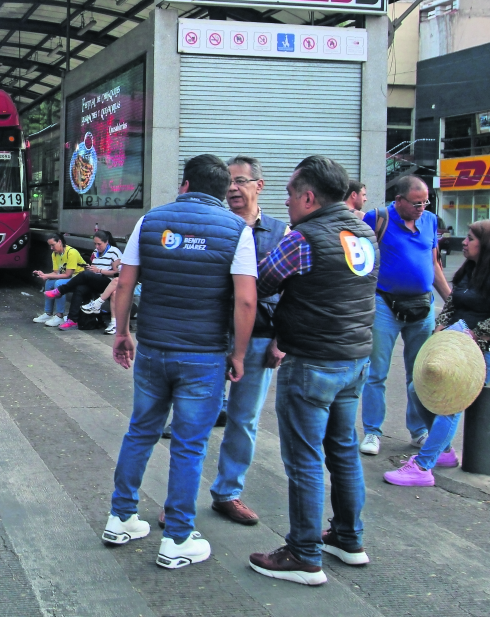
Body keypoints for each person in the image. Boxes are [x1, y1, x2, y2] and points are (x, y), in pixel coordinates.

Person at [102, 154, 257, 571]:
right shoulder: (237, 230)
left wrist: (122, 332)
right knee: (189, 446)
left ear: (185, 184)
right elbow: (245, 299)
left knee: (140, 431)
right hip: (204, 356)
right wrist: (239, 354)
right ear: (223, 190)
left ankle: (121, 518)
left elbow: (126, 282)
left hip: (153, 349)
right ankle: (177, 538)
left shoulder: (150, 221)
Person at [247, 156, 377, 586]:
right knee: (343, 452)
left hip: (311, 362)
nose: (285, 202)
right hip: (354, 360)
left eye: (288, 193)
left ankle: (304, 554)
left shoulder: (303, 238)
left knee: (304, 460)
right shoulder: (363, 232)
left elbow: (263, 282)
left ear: (308, 196)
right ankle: (348, 537)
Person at [385, 221, 490, 486]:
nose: (463, 241)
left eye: (470, 238)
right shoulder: (468, 270)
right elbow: (451, 304)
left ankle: (423, 467)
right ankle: (445, 452)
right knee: (418, 389)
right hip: (458, 347)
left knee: (451, 401)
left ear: (487, 244)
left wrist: (470, 335)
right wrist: (442, 326)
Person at [205, 155, 289, 525]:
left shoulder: (281, 232)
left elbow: (292, 292)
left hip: (259, 338)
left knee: (244, 419)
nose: (233, 189)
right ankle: (180, 495)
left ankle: (228, 492)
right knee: (196, 418)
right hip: (208, 335)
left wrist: (281, 340)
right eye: (228, 182)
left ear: (259, 185)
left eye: (240, 181)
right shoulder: (213, 225)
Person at [359, 175, 450, 456]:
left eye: (425, 202)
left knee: (420, 374)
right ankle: (373, 432)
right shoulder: (377, 219)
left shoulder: (430, 221)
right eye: (416, 203)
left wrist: (451, 301)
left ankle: (419, 430)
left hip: (423, 306)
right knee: (377, 372)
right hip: (385, 304)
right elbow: (359, 259)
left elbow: (433, 262)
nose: (421, 207)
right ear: (398, 200)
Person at [45, 229, 122, 330]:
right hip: (96, 280)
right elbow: (93, 269)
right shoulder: (95, 252)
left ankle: (60, 290)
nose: (97, 247)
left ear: (106, 242)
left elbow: (118, 273)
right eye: (95, 244)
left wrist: (99, 270)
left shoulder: (114, 252)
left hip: (109, 282)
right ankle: (72, 320)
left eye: (99, 244)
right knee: (80, 288)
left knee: (85, 275)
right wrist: (91, 269)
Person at [33, 233, 86, 327]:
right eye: (50, 245)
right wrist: (44, 275)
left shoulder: (71, 252)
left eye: (53, 245)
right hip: (69, 278)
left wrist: (47, 275)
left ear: (60, 242)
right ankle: (48, 313)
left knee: (58, 283)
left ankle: (59, 316)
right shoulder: (55, 254)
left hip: (79, 278)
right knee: (49, 282)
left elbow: (67, 275)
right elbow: (55, 273)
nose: (51, 248)